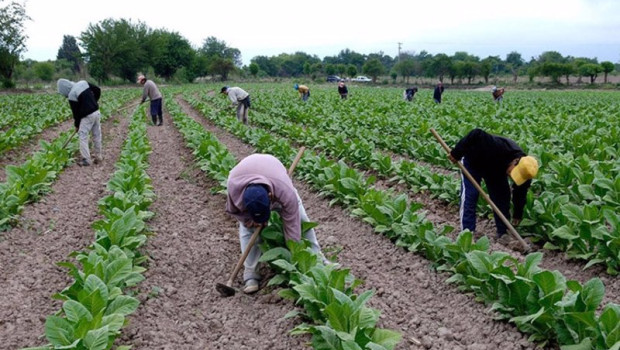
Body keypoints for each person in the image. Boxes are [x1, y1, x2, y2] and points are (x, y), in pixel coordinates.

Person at [226, 153, 330, 294]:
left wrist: (295, 254)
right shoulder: (234, 187)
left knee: (302, 220)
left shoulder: (284, 189)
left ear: (270, 197)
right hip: (246, 175)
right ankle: (250, 273)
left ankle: (317, 258)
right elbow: (235, 211)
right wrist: (249, 221)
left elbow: (292, 224)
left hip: (273, 170)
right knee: (247, 231)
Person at [448, 128, 539, 244]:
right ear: (516, 161)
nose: (512, 177)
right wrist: (456, 153)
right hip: (474, 161)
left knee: (502, 197)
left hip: (496, 169)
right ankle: (467, 234)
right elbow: (476, 133)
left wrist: (517, 214)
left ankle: (503, 233)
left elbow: (520, 194)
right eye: (513, 173)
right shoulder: (497, 146)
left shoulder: (527, 171)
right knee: (471, 195)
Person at [57, 79, 103, 166]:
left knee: (83, 136)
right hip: (96, 111)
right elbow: (97, 89)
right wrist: (94, 102)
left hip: (88, 116)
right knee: (97, 134)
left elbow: (76, 113)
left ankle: (86, 160)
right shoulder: (83, 83)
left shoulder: (71, 95)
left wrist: (77, 125)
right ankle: (98, 156)